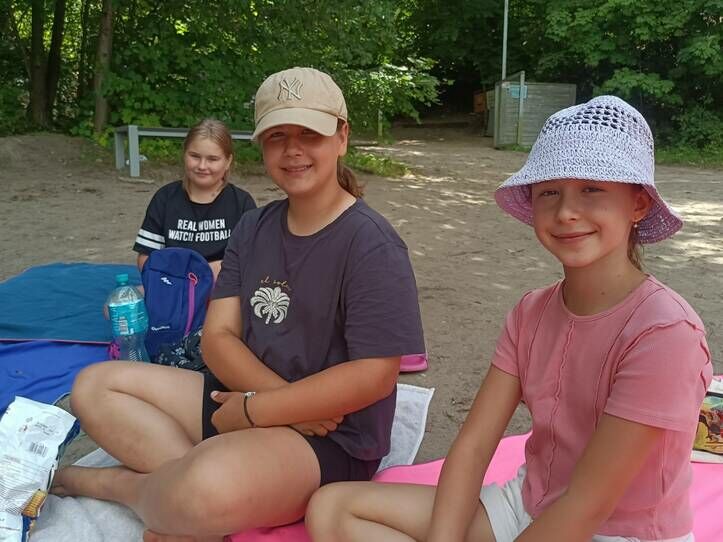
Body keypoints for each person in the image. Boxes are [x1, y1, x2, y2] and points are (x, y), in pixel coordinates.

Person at [305, 96, 713, 542]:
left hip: (618, 532)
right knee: (333, 508)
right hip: (528, 505)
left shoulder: (664, 332)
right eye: (549, 192)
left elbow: (587, 505)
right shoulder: (531, 312)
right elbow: (474, 446)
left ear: (638, 204)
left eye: (592, 189)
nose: (566, 211)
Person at [51, 66, 425, 542]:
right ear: (262, 145)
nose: (293, 150)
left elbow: (375, 375)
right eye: (277, 136)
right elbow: (218, 338)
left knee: (201, 489)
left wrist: (258, 412)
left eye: (310, 134)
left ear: (342, 137)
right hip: (246, 396)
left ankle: (121, 487)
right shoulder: (252, 227)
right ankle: (195, 494)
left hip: (330, 436)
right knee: (94, 387)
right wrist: (267, 405)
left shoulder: (371, 244)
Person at [132, 118, 257, 281]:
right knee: (121, 298)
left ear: (228, 161)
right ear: (184, 154)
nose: (202, 166)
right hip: (173, 287)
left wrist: (201, 275)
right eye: (195, 156)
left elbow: (251, 260)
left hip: (224, 288)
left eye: (212, 159)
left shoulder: (242, 203)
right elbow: (146, 258)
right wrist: (174, 282)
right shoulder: (165, 198)